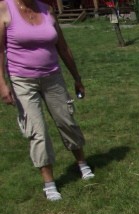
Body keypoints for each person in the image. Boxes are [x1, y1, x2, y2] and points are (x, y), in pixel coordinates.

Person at [0, 0, 94, 201]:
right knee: (37, 130)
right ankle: (49, 183)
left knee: (66, 120)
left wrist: (77, 78)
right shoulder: (4, 8)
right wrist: (2, 83)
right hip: (22, 80)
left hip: (53, 77)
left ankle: (82, 163)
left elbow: (63, 47)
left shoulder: (46, 9)